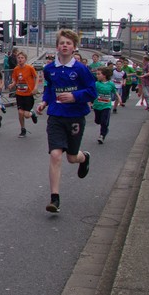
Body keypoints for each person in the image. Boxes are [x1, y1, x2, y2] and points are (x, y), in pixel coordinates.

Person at [36, 29, 97, 214]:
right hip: (56, 116)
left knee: (71, 157)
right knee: (55, 155)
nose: (65, 46)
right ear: (57, 46)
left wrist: (74, 96)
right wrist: (44, 102)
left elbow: (92, 92)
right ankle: (55, 198)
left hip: (75, 116)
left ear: (74, 47)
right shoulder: (49, 69)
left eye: (68, 43)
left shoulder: (81, 69)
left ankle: (84, 157)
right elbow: (49, 89)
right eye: (62, 43)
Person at [7, 50, 38, 137]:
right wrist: (12, 84)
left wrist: (35, 87)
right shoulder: (16, 69)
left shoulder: (30, 68)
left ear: (25, 59)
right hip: (19, 94)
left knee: (26, 115)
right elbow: (15, 80)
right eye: (18, 58)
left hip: (28, 94)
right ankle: (23, 129)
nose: (20, 59)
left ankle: (32, 114)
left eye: (22, 58)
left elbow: (36, 77)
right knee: (20, 113)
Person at [92, 66, 116, 144]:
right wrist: (89, 102)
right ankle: (105, 129)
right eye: (96, 74)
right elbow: (91, 93)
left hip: (106, 105)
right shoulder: (96, 84)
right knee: (97, 121)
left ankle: (102, 135)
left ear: (104, 75)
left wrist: (119, 99)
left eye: (99, 74)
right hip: (97, 105)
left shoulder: (111, 84)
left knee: (104, 121)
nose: (97, 76)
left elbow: (115, 92)